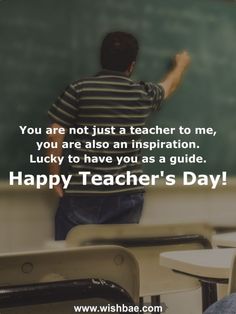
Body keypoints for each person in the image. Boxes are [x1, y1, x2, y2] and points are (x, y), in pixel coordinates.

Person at [47, 31, 190, 240]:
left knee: (70, 262)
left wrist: (54, 177)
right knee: (117, 263)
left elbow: (55, 133)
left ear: (102, 59)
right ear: (131, 66)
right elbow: (170, 86)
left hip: (84, 192)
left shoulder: (79, 90)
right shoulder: (143, 93)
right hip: (127, 194)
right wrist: (181, 64)